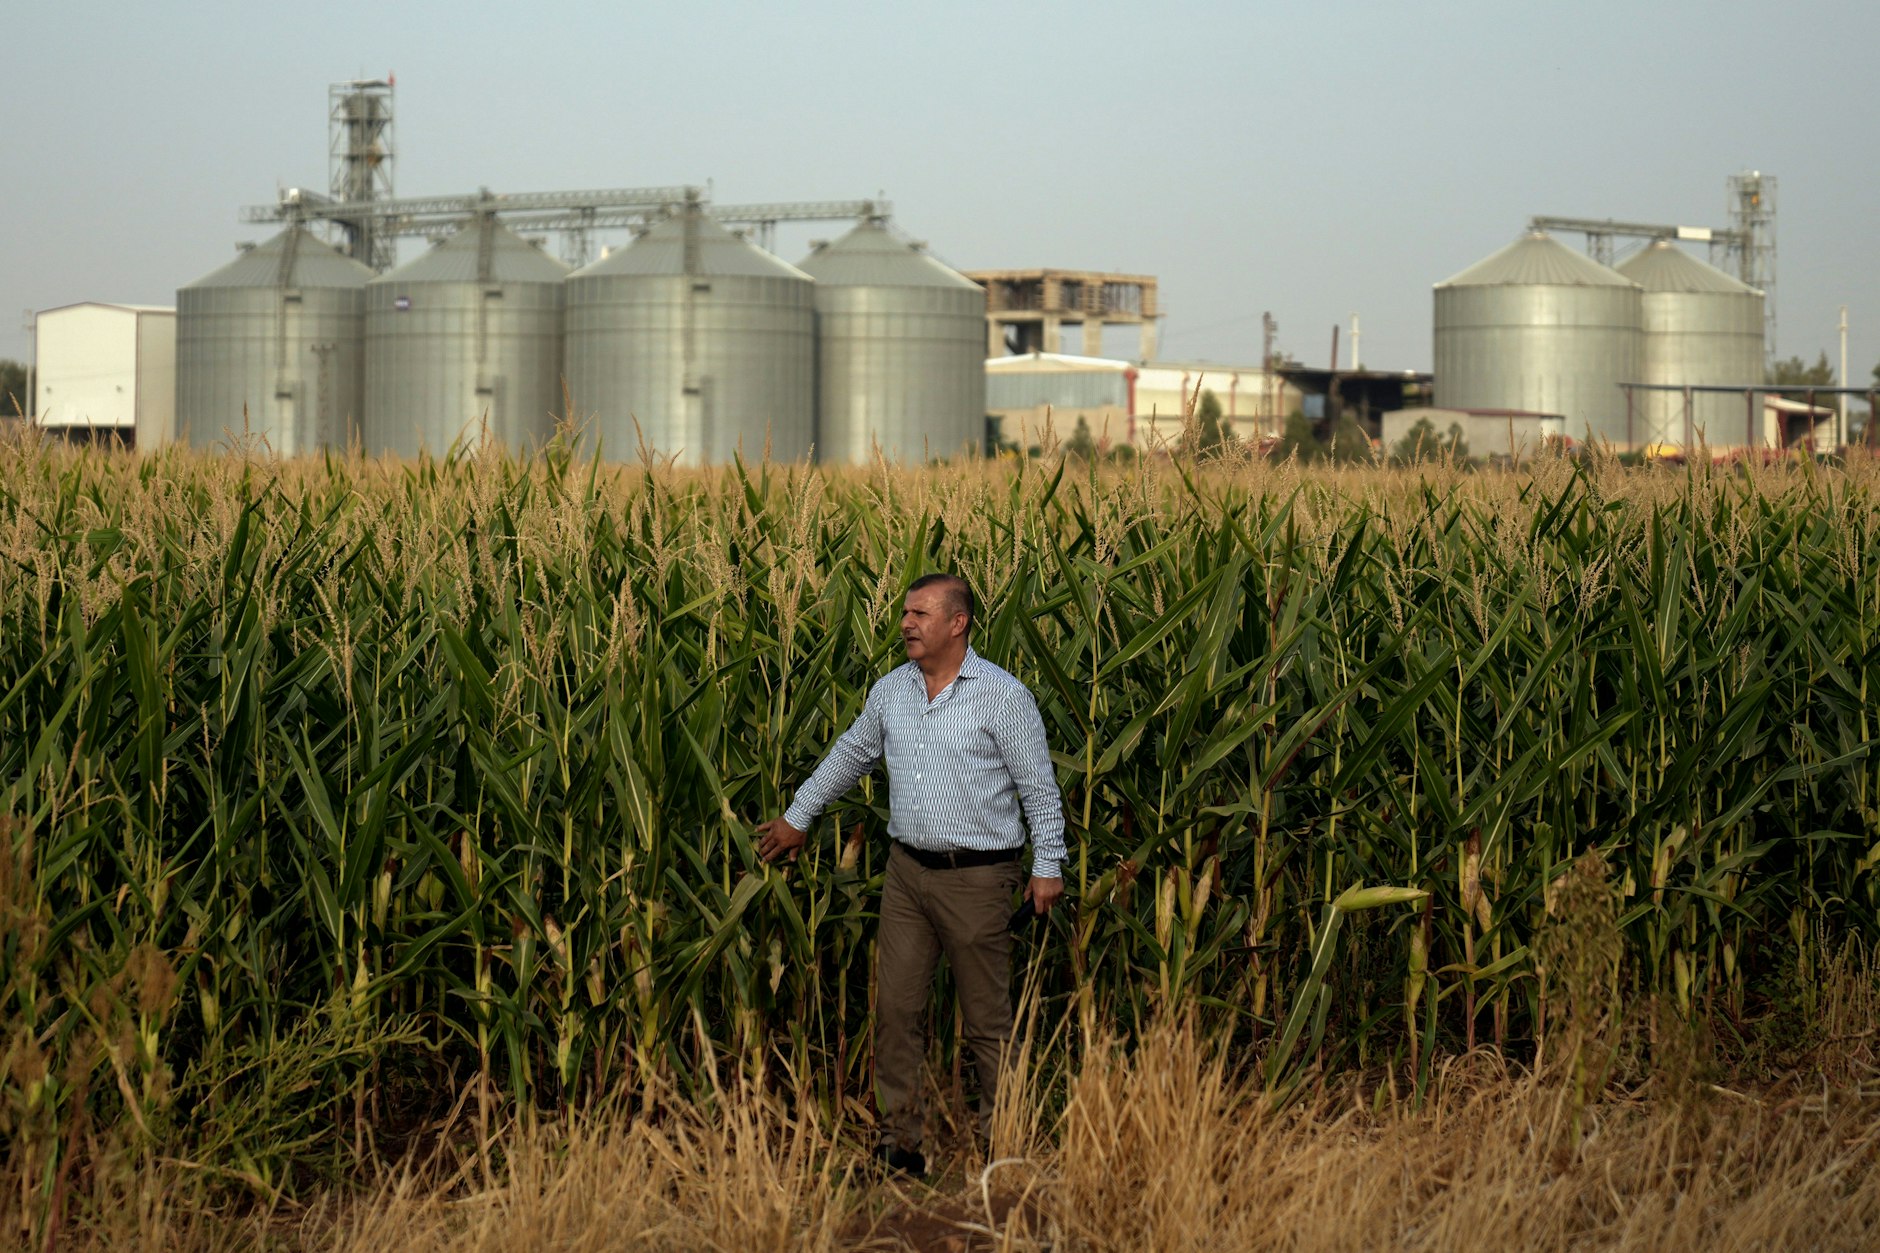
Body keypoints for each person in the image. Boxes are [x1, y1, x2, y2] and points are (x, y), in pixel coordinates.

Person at [756, 573, 1066, 1178]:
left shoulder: (1003, 696)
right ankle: (901, 1149)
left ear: (958, 623)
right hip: (906, 875)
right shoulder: (892, 691)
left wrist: (1047, 865)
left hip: (977, 880)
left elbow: (1038, 787)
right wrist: (798, 815)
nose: (906, 623)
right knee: (896, 1011)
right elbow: (851, 754)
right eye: (905, 613)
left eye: (920, 614)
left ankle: (1002, 1151)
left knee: (987, 1023)